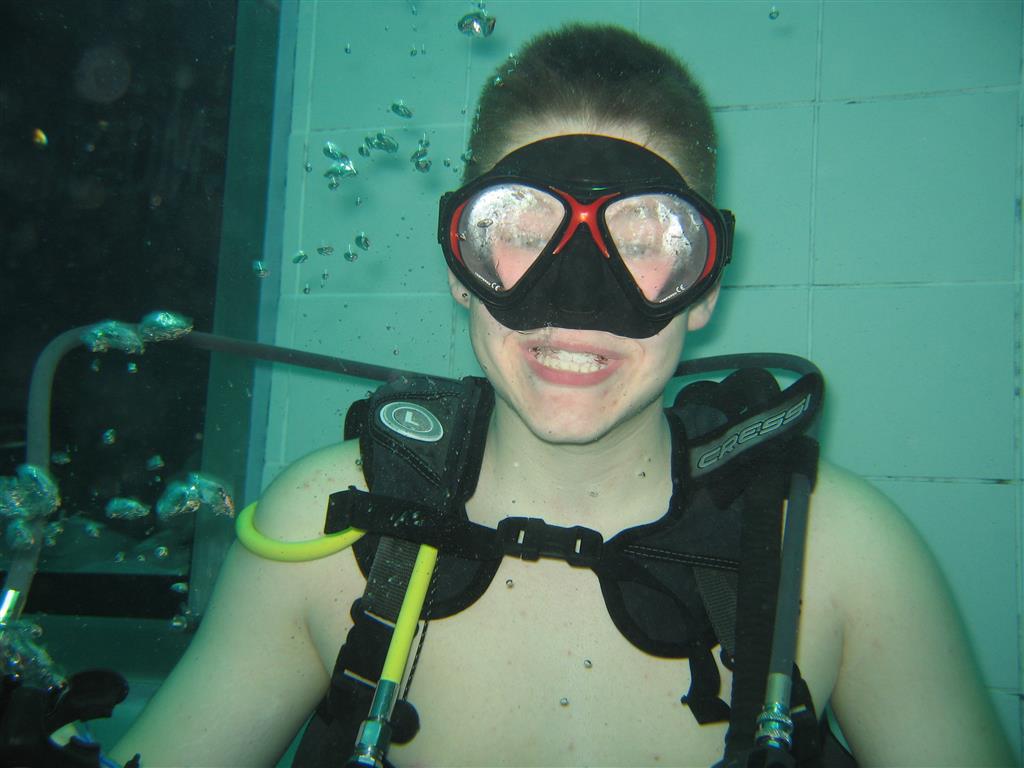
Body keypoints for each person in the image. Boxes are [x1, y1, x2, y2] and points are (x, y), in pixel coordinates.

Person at [111, 23, 1013, 768]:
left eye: (648, 239)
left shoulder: (843, 556)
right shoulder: (328, 528)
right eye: (517, 228)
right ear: (459, 264)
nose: (577, 301)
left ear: (704, 286)